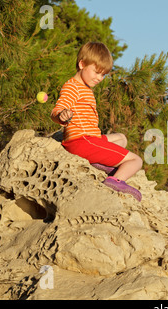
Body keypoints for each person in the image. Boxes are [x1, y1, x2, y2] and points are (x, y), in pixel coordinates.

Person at [51, 42, 143, 201]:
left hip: (89, 139)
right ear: (82, 64)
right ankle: (114, 181)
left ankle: (101, 162)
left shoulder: (84, 88)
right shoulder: (72, 87)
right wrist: (61, 115)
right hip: (82, 142)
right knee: (136, 160)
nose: (100, 78)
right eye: (96, 72)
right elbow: (57, 110)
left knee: (122, 138)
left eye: (103, 75)